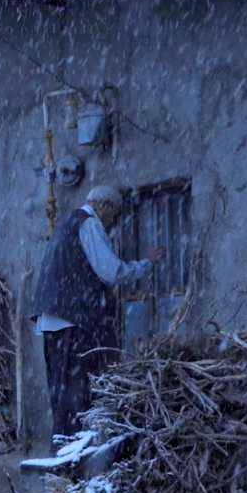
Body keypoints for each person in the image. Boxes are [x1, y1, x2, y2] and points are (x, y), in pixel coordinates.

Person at [30, 185, 164, 443]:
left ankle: (63, 456)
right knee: (77, 396)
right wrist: (145, 264)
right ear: (104, 206)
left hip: (54, 321)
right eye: (114, 215)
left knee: (61, 395)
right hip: (72, 321)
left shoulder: (66, 224)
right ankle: (73, 460)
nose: (113, 222)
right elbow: (111, 272)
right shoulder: (89, 224)